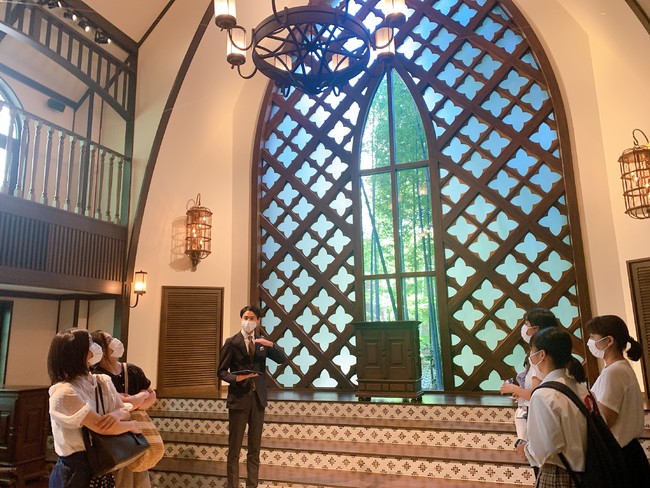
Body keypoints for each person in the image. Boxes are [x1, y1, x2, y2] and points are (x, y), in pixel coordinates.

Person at [48, 328, 141, 488]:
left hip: (102, 464)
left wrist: (118, 414)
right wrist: (132, 425)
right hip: (76, 470)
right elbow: (101, 426)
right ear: (77, 352)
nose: (96, 347)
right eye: (90, 343)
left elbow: (124, 411)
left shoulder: (102, 381)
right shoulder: (64, 392)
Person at [217, 305, 287, 488]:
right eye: (245, 318)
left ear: (258, 321)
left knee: (254, 449)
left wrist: (271, 344)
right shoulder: (232, 342)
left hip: (258, 400)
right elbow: (221, 371)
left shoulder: (262, 343)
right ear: (241, 319)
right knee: (234, 449)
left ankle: (252, 485)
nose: (248, 321)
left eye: (252, 318)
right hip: (239, 399)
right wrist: (237, 378)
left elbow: (282, 359)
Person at [516, 326, 589, 487]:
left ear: (542, 355)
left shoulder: (543, 395)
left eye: (532, 351)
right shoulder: (580, 387)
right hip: (586, 470)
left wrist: (525, 450)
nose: (530, 356)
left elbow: (545, 448)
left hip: (558, 473)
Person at [586, 315, 650, 485]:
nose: (590, 342)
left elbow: (606, 419)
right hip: (626, 453)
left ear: (609, 341)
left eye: (593, 337)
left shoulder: (613, 373)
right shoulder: (618, 368)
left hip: (620, 455)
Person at [91, 329, 157, 488]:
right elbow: (123, 402)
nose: (115, 341)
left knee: (140, 474)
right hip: (115, 436)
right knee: (121, 477)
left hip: (137, 434)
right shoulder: (97, 376)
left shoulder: (132, 370)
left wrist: (134, 402)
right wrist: (141, 396)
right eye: (109, 339)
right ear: (101, 348)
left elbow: (152, 395)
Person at [499, 308, 559, 447]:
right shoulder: (549, 357)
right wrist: (520, 392)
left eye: (527, 324)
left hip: (536, 417)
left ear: (536, 328)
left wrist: (513, 388)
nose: (524, 329)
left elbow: (536, 395)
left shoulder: (540, 361)